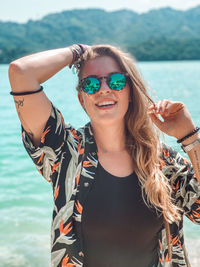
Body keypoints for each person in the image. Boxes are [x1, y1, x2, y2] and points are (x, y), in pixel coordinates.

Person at [9, 44, 200, 267]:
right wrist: (78, 51)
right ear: (82, 99)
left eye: (116, 81)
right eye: (90, 84)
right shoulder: (66, 151)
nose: (104, 89)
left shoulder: (162, 161)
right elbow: (21, 73)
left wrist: (189, 136)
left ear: (130, 92)